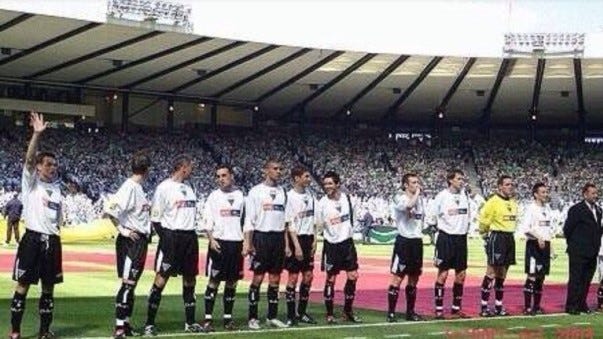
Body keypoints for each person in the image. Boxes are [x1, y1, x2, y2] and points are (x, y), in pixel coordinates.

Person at [10, 112, 63, 339]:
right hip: (32, 240)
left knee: (48, 289)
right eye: (48, 164)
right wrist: (36, 135)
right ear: (39, 167)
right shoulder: (30, 183)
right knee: (23, 286)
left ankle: (44, 331)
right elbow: (29, 159)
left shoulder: (58, 190)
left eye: (54, 164)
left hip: (52, 241)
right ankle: (15, 332)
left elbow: (57, 218)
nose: (52, 167)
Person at [143, 155, 204, 335]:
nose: (192, 170)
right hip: (172, 236)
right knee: (161, 278)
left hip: (190, 238)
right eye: (190, 167)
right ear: (182, 167)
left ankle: (190, 322)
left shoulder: (190, 187)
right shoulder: (164, 188)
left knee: (190, 278)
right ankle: (149, 323)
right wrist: (166, 239)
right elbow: (155, 218)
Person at [105, 152, 152, 338]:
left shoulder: (138, 188)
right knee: (128, 284)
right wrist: (124, 231)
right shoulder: (130, 187)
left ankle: (125, 323)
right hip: (131, 241)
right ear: (146, 170)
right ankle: (119, 328)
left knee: (131, 284)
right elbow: (111, 210)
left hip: (140, 241)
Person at [243, 159, 291, 329]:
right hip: (261, 237)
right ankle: (253, 318)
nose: (279, 171)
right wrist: (248, 242)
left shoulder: (283, 192)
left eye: (280, 168)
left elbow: (285, 222)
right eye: (275, 168)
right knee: (258, 277)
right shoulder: (255, 192)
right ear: (266, 170)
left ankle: (272, 316)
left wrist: (286, 244)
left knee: (275, 278)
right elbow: (249, 219)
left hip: (277, 238)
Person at [201, 164, 245, 331]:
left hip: (236, 243)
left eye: (224, 175)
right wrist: (211, 239)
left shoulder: (241, 196)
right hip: (219, 243)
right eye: (218, 176)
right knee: (214, 281)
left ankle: (228, 319)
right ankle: (208, 320)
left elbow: (245, 222)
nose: (221, 179)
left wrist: (246, 242)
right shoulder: (213, 196)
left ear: (231, 176)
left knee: (232, 282)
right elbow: (207, 220)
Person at [317, 171, 362, 324]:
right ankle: (329, 314)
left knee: (353, 276)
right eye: (325, 184)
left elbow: (353, 220)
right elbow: (318, 225)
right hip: (331, 245)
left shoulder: (348, 199)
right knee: (331, 279)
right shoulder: (322, 203)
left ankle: (347, 311)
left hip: (347, 243)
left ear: (337, 184)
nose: (327, 187)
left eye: (330, 183)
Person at [430, 169, 471, 319]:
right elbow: (432, 216)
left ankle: (456, 308)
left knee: (461, 274)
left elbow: (468, 215)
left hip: (461, 238)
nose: (462, 181)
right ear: (451, 180)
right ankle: (439, 309)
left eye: (462, 179)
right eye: (459, 179)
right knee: (443, 273)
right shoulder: (441, 196)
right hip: (446, 238)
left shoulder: (465, 195)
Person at [478, 175, 518, 317]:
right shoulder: (492, 202)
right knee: (491, 272)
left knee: (502, 274)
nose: (510, 187)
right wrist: (484, 235)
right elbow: (483, 221)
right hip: (497, 237)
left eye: (511, 184)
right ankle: (483, 307)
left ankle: (498, 306)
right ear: (500, 186)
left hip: (509, 237)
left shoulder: (513, 203)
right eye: (507, 184)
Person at [386, 173, 424, 322]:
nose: (417, 185)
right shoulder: (399, 198)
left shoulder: (421, 201)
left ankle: (410, 312)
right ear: (405, 185)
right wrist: (418, 194)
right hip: (404, 242)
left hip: (416, 242)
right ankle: (391, 313)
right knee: (397, 278)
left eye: (417, 182)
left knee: (414, 278)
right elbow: (409, 205)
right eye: (413, 182)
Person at [284, 166, 318, 326]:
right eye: (306, 176)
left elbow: (314, 220)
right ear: (297, 178)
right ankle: (291, 315)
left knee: (308, 277)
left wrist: (315, 239)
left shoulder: (311, 196)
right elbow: (289, 224)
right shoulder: (289, 197)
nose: (309, 179)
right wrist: (295, 246)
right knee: (292, 278)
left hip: (308, 238)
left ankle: (302, 312)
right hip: (295, 239)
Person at [563, 183, 602, 315]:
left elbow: (597, 230)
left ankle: (581, 304)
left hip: (592, 251)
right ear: (585, 194)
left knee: (586, 280)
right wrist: (575, 244)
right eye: (592, 193)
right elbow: (567, 229)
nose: (595, 195)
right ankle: (571, 305)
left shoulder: (598, 210)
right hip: (578, 250)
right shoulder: (576, 209)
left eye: (596, 193)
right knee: (576, 279)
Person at [521, 183, 554, 315]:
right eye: (543, 192)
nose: (545, 194)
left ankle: (537, 306)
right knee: (532, 275)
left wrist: (551, 247)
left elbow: (548, 230)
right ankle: (527, 307)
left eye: (546, 192)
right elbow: (526, 228)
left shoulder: (547, 209)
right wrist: (538, 237)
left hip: (545, 246)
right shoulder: (531, 209)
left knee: (541, 277)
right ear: (535, 194)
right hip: (533, 246)